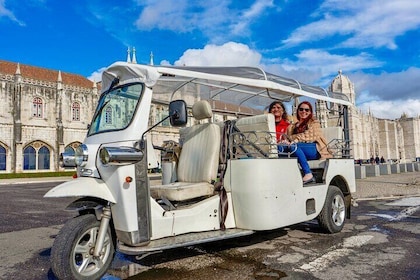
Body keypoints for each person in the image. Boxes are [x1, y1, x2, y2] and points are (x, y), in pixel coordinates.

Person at [285, 101, 332, 184]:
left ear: (310, 112)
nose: (304, 111)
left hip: (315, 149)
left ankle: (308, 173)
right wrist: (285, 141)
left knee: (294, 146)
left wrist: (295, 139)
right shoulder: (292, 126)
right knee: (280, 148)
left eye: (307, 110)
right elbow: (288, 138)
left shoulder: (314, 122)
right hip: (299, 149)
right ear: (297, 110)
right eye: (301, 109)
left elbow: (311, 135)